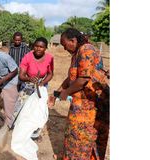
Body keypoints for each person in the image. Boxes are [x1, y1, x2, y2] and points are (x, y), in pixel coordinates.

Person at [48, 28, 109, 160]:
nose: (64, 49)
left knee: (83, 138)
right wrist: (57, 93)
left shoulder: (86, 49)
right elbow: (71, 78)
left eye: (65, 45)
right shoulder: (76, 54)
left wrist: (65, 93)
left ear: (73, 40)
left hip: (91, 106)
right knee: (74, 136)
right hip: (81, 104)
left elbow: (83, 80)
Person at [10, 37, 53, 160]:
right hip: (28, 85)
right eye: (36, 46)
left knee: (38, 112)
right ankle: (17, 130)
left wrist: (43, 82)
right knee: (20, 109)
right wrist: (30, 79)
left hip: (41, 86)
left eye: (42, 47)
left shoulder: (49, 58)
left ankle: (34, 134)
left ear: (46, 48)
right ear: (33, 46)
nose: (38, 49)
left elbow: (51, 73)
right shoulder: (27, 57)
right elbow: (22, 75)